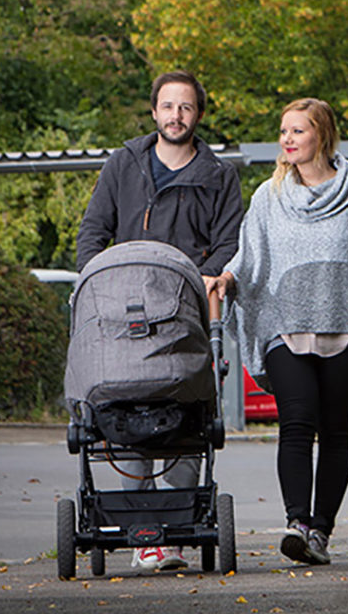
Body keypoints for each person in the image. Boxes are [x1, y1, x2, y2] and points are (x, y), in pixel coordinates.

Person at [211, 98, 348, 566]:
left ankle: (321, 532)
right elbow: (248, 255)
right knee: (296, 422)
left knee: (336, 431)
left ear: (322, 136)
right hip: (284, 327)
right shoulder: (269, 195)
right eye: (284, 131)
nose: (288, 139)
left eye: (298, 131)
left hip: (346, 329)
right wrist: (227, 279)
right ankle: (296, 523)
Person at [76, 70, 244, 572]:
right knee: (127, 412)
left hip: (185, 307)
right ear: (154, 112)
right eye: (168, 106)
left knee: (185, 412)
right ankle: (141, 530)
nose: (176, 115)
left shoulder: (218, 175)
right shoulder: (123, 164)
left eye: (186, 107)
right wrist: (93, 282)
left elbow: (232, 241)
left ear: (198, 114)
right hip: (124, 310)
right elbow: (93, 231)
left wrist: (213, 277)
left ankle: (171, 531)